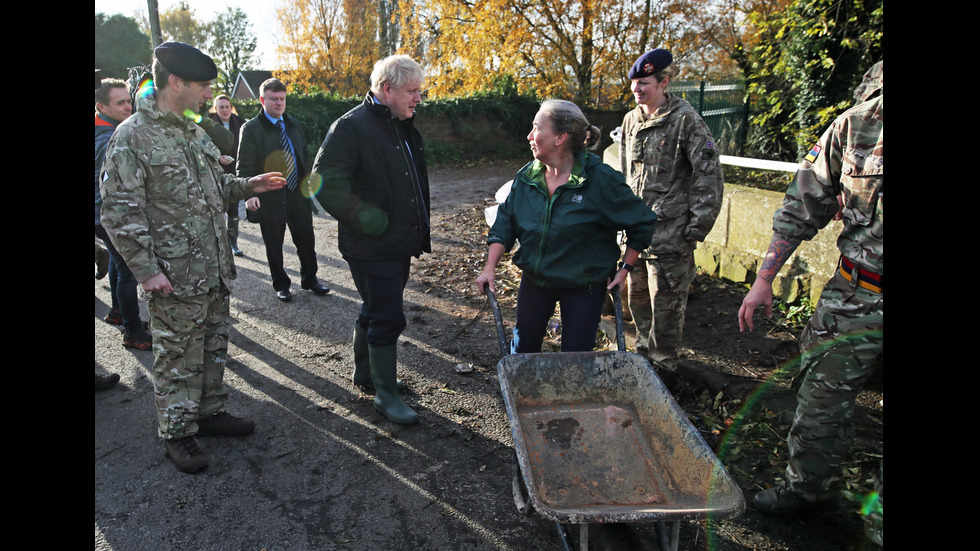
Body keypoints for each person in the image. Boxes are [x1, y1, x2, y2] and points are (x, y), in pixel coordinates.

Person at [99, 41, 288, 473]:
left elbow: (215, 189)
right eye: (203, 87)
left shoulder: (193, 130)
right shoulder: (131, 136)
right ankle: (178, 433)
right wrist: (145, 271)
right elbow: (117, 210)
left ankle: (209, 412)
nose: (208, 95)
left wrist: (247, 185)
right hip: (171, 274)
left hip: (212, 267)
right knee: (175, 355)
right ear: (175, 81)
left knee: (211, 345)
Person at [736, 61, 882, 537]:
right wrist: (764, 278)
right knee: (820, 398)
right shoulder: (858, 124)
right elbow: (803, 203)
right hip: (857, 294)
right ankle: (810, 491)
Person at [476, 99, 657, 355]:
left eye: (537, 128)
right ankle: (525, 394)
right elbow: (505, 223)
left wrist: (625, 268)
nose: (529, 136)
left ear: (560, 137)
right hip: (537, 281)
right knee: (524, 350)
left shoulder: (601, 181)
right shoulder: (527, 177)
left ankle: (571, 396)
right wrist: (489, 268)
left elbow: (642, 222)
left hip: (584, 286)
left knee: (577, 356)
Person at [311, 55, 428, 425]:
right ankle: (385, 395)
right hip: (372, 244)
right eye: (412, 91)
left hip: (396, 242)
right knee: (387, 315)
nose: (418, 98)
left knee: (375, 306)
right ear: (387, 89)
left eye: (420, 91)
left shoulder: (399, 122)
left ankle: (367, 376)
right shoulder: (351, 127)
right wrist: (368, 218)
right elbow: (323, 182)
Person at [619, 48, 723, 371]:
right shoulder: (630, 120)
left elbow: (709, 174)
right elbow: (625, 175)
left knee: (666, 312)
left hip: (669, 238)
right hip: (635, 237)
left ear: (664, 82)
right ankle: (641, 369)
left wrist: (695, 229)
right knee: (638, 307)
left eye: (644, 83)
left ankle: (664, 376)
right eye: (634, 83)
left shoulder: (686, 120)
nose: (637, 89)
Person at [238, 78, 329, 302]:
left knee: (306, 240)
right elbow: (244, 166)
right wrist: (250, 194)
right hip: (270, 196)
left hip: (297, 194)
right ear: (262, 100)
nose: (279, 103)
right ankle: (281, 285)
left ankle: (310, 279)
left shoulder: (293, 124)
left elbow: (304, 154)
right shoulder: (250, 129)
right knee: (274, 244)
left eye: (282, 99)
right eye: (273, 99)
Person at [95, 77, 152, 350]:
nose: (128, 107)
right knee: (129, 270)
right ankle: (132, 332)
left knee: (119, 265)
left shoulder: (106, 127)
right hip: (106, 215)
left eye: (129, 100)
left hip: (101, 215)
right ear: (101, 106)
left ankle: (119, 312)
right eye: (120, 103)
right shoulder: (108, 137)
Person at [209, 94, 247, 256]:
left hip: (234, 172)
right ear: (215, 109)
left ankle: (233, 243)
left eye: (227, 107)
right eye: (221, 107)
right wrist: (217, 157)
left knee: (233, 210)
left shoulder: (240, 123)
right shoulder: (209, 124)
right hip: (214, 172)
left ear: (231, 108)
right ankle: (217, 244)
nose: (225, 110)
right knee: (216, 208)